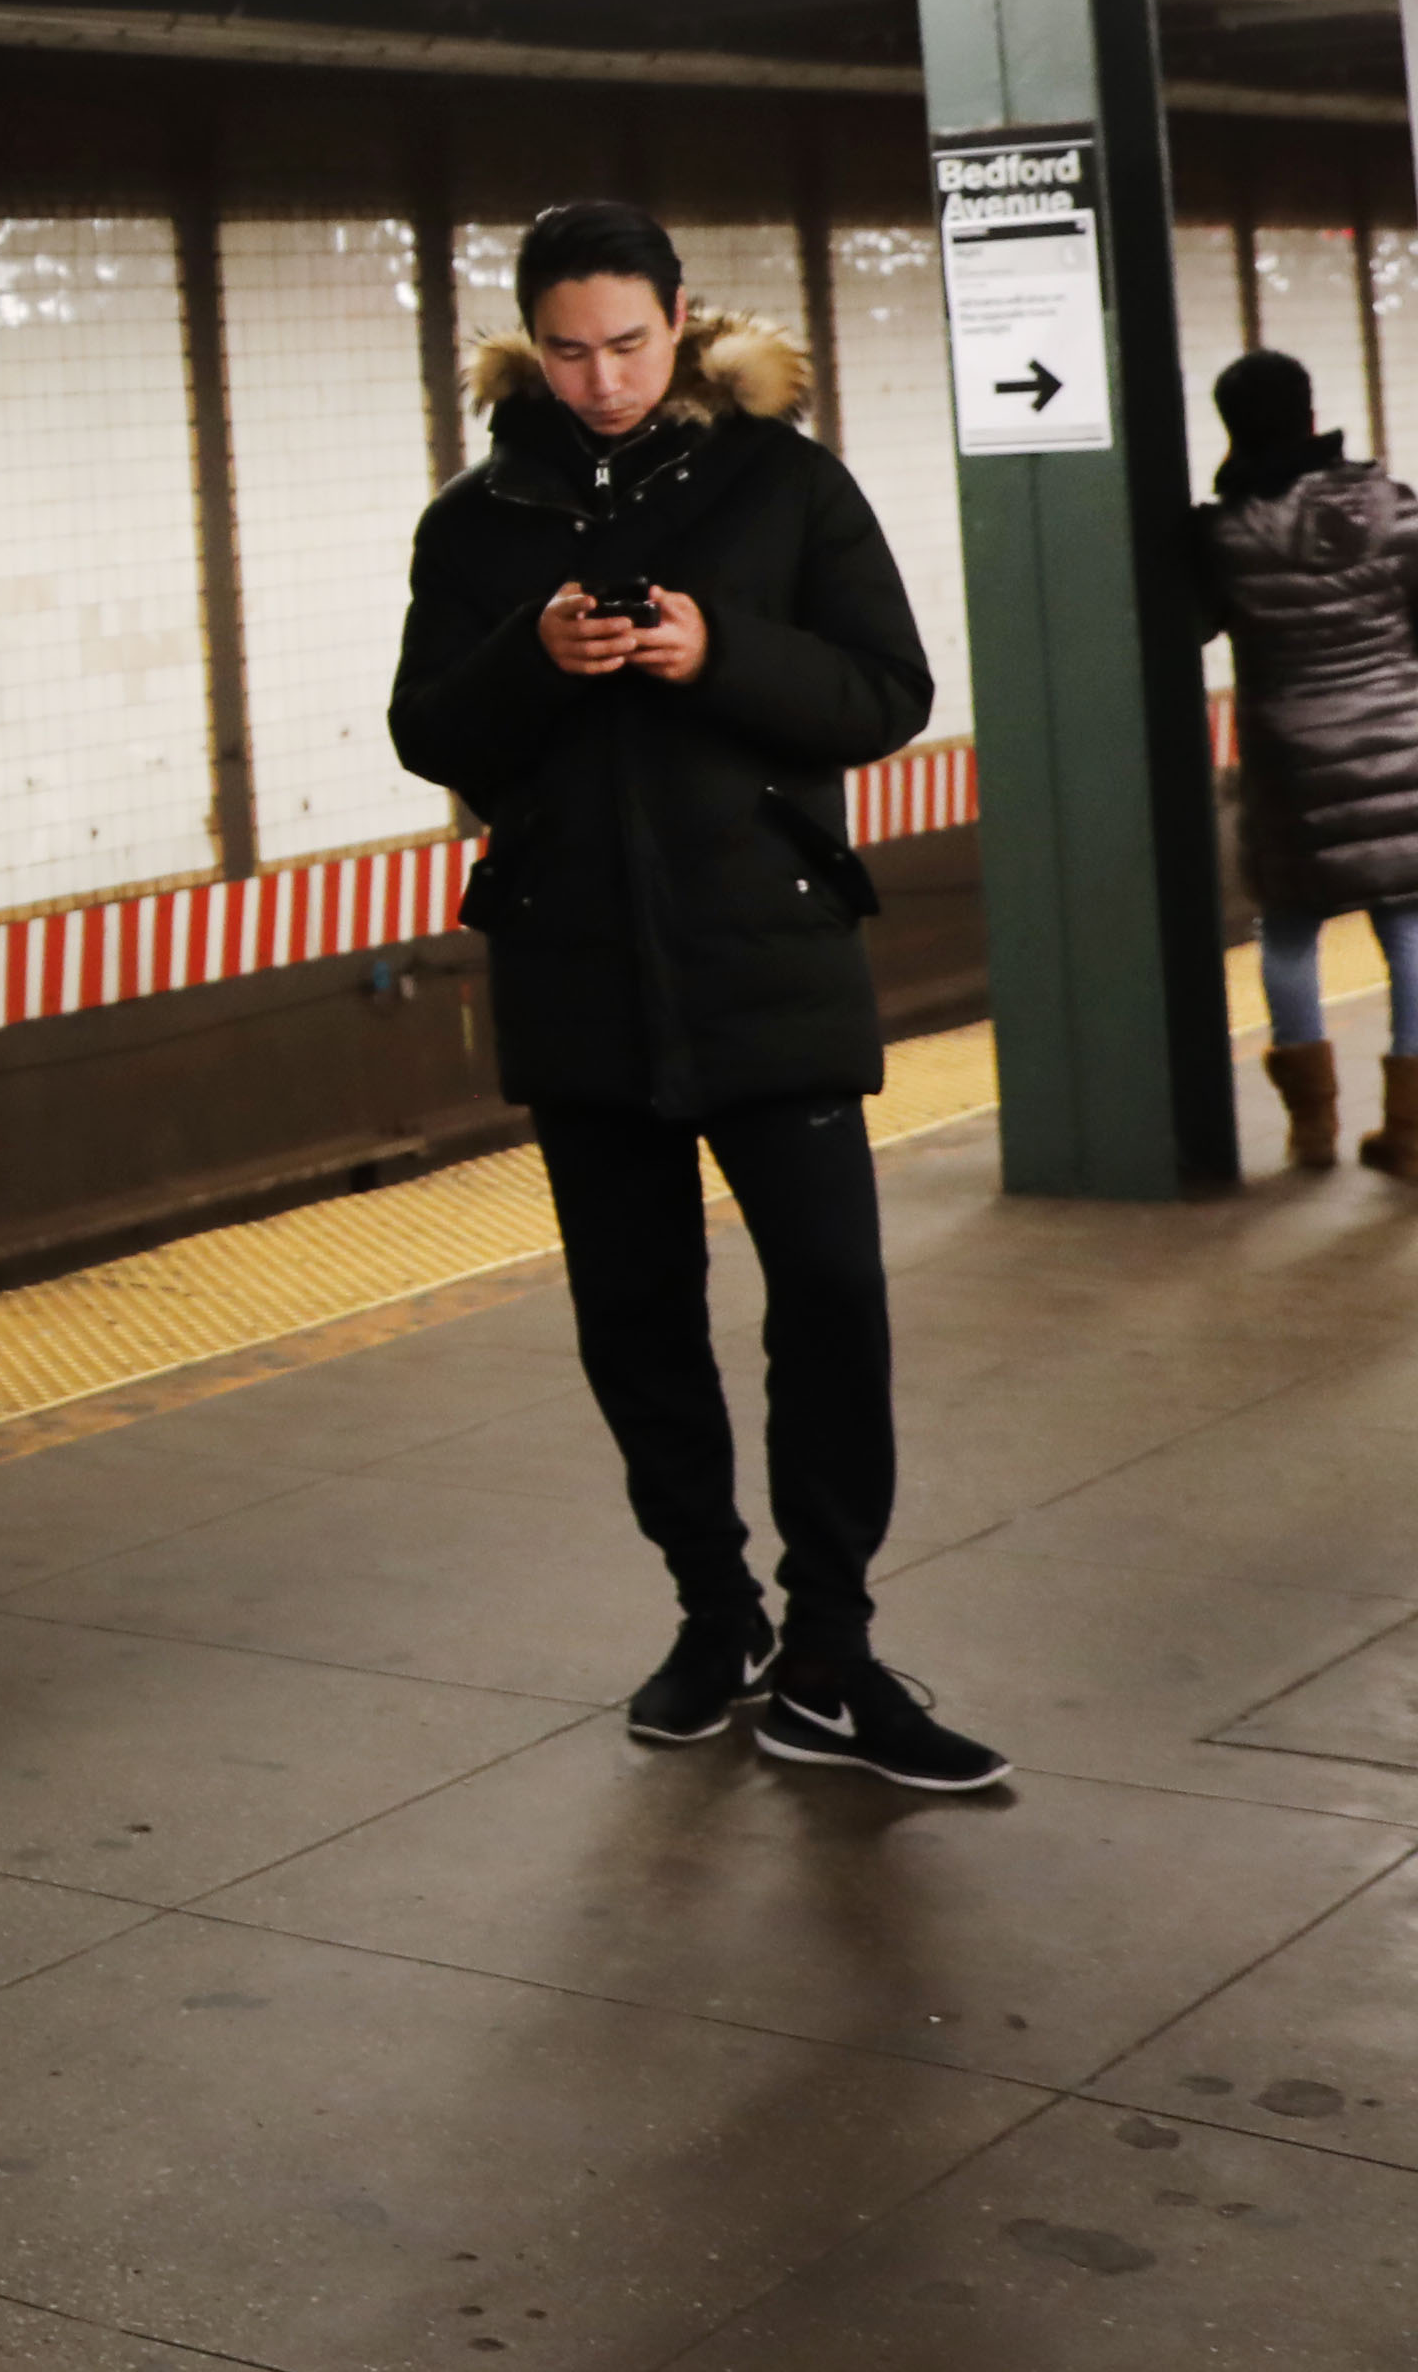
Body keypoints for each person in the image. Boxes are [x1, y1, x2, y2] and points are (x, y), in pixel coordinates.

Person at [390, 200, 983, 1792]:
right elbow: (430, 732)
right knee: (636, 1320)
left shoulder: (781, 485)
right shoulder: (477, 526)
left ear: (680, 320)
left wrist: (720, 651)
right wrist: (537, 656)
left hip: (765, 956)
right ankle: (712, 1616)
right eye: (571, 351)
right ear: (531, 341)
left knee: (834, 1305)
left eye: (632, 345)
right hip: (576, 970)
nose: (603, 381)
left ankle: (834, 1647)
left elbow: (886, 694)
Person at [1185, 353, 1418, 1186]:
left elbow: (1193, 623)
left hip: (1292, 754)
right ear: (1311, 415)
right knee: (1409, 922)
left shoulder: (1227, 534)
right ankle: (1412, 1133)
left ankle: (1312, 1127)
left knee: (1289, 926)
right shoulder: (1397, 506)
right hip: (1403, 745)